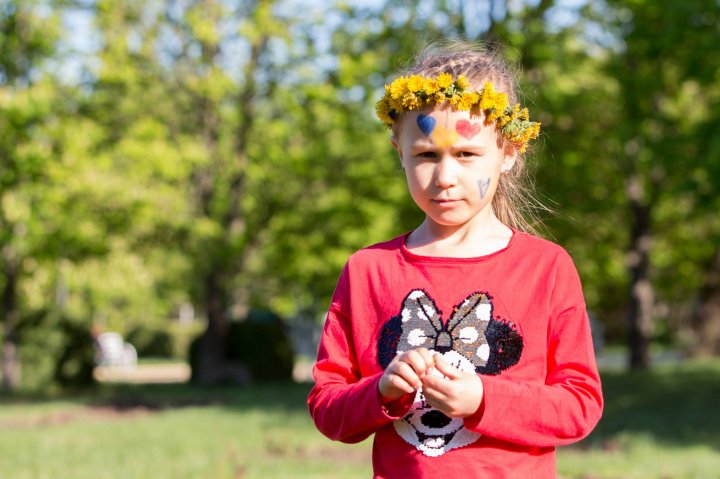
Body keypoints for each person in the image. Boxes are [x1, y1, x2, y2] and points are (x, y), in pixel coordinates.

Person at [307, 41, 603, 479]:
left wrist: (484, 399)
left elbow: (580, 406)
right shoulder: (368, 270)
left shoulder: (546, 268)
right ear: (399, 153)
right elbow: (327, 407)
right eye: (426, 154)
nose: (445, 177)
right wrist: (382, 392)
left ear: (508, 153)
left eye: (466, 155)